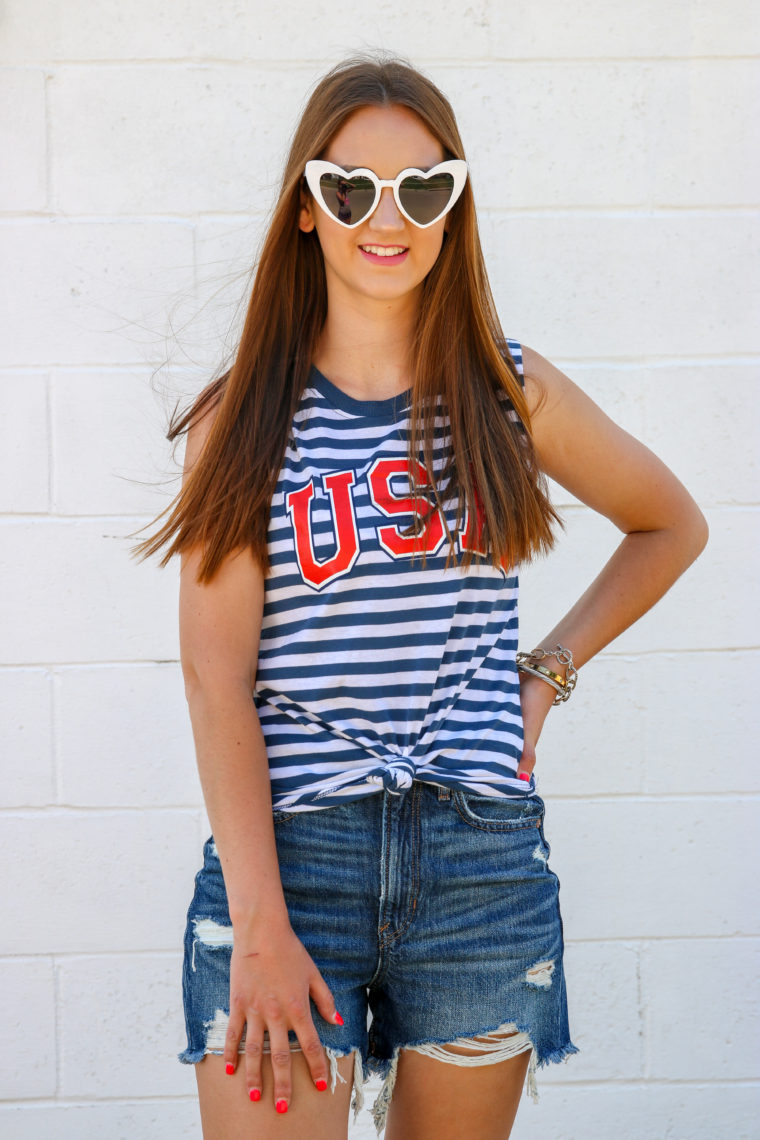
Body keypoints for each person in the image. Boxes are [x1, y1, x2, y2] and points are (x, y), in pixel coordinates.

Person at [132, 52, 708, 1140]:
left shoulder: (506, 387)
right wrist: (258, 923)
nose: (383, 217)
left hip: (478, 860)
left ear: (454, 205)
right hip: (293, 859)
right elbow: (216, 685)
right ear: (307, 209)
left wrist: (542, 678)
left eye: (421, 188)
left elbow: (669, 524)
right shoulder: (243, 418)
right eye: (349, 188)